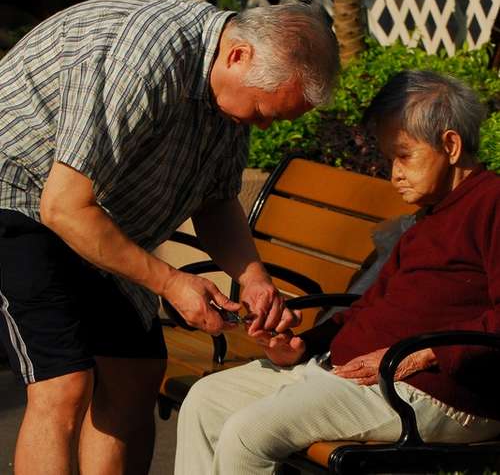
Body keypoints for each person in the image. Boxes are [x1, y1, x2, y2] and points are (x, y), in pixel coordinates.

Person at [0, 0, 340, 475]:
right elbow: (64, 207)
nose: (263, 125)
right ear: (238, 55)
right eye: (264, 110)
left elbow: (216, 200)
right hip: (18, 195)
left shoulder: (230, 86)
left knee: (135, 373)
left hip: (95, 215)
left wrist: (255, 279)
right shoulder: (142, 61)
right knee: (64, 384)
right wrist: (171, 282)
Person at [175, 70, 500, 475]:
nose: (394, 174)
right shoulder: (429, 219)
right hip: (356, 374)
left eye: (404, 156)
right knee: (206, 400)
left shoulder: (491, 203)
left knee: (248, 433)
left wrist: (422, 355)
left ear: (450, 145)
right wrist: (302, 345)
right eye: (389, 159)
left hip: (434, 392)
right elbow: (368, 307)